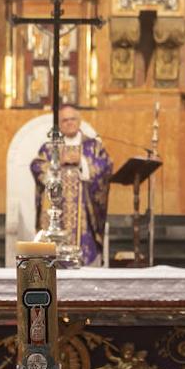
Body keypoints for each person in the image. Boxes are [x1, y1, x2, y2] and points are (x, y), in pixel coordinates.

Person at [29, 104, 113, 267]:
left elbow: (106, 166)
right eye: (64, 120)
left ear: (79, 121)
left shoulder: (93, 146)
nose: (69, 123)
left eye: (72, 119)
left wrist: (81, 162)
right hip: (56, 212)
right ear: (59, 124)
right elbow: (36, 165)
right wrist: (57, 163)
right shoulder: (50, 147)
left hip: (84, 213)